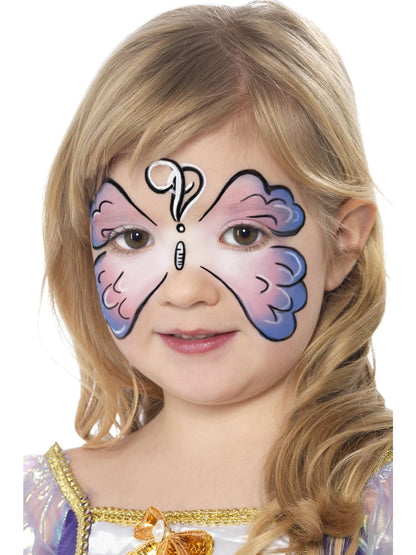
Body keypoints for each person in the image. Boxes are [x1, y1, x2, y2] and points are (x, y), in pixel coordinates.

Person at [23, 1, 393, 553]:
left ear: (342, 241)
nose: (185, 289)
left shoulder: (387, 500)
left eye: (243, 234)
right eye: (134, 238)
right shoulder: (38, 509)